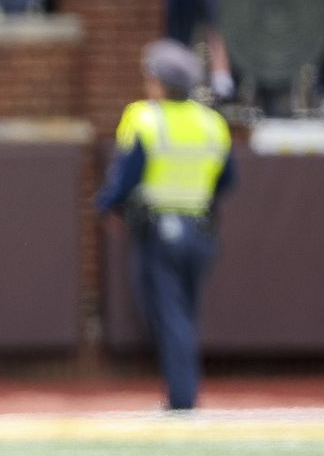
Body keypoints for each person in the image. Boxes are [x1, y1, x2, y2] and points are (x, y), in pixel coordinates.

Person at [96, 39, 236, 411]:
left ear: (158, 82)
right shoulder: (212, 123)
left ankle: (182, 398)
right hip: (201, 229)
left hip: (159, 229)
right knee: (186, 313)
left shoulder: (146, 119)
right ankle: (185, 391)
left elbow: (126, 175)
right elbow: (227, 180)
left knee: (168, 314)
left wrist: (108, 205)